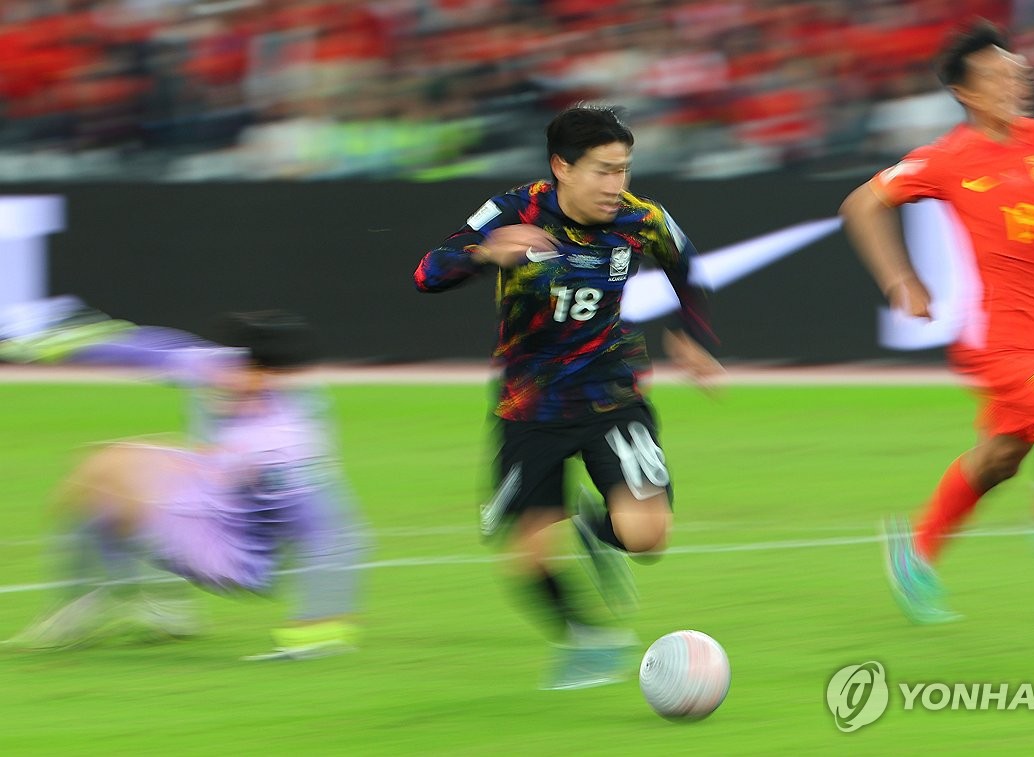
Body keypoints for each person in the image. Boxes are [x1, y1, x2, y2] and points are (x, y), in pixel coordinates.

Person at [839, 22, 1034, 624]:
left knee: (1001, 460)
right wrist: (900, 279)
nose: (1018, 83)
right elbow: (862, 203)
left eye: (1019, 73)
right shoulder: (948, 157)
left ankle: (916, 553)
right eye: (1001, 77)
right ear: (969, 94)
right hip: (1003, 346)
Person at [413, 105, 721, 688]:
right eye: (603, 171)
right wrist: (486, 253)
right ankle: (585, 635)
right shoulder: (513, 211)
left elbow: (688, 265)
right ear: (562, 166)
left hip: (611, 394)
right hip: (529, 407)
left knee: (647, 536)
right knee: (527, 555)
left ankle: (594, 530)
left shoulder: (641, 219)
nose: (616, 186)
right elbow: (428, 272)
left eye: (623, 170)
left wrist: (693, 335)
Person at [2, 303, 367, 660]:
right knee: (105, 476)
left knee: (113, 468)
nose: (230, 368)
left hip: (238, 556)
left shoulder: (284, 442)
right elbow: (151, 349)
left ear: (267, 374)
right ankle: (149, 608)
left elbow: (326, 532)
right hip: (210, 504)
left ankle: (96, 607)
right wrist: (63, 345)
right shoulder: (222, 368)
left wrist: (317, 626)